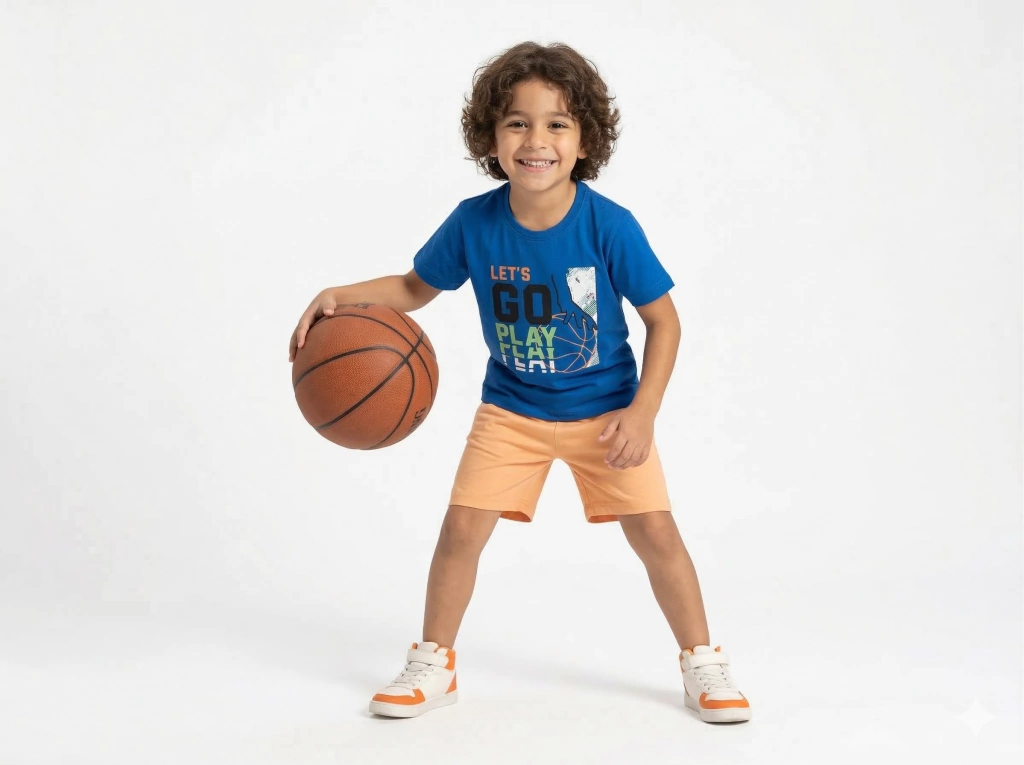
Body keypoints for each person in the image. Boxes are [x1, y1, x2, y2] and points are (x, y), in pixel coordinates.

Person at [288, 41, 751, 724]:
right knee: (461, 530)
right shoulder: (474, 222)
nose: (536, 141)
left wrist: (644, 412)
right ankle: (434, 662)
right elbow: (415, 288)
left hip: (607, 415)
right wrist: (341, 294)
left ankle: (702, 662)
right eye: (517, 123)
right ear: (492, 138)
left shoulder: (609, 226)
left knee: (656, 534)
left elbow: (665, 322)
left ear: (585, 140)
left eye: (556, 124)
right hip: (511, 410)